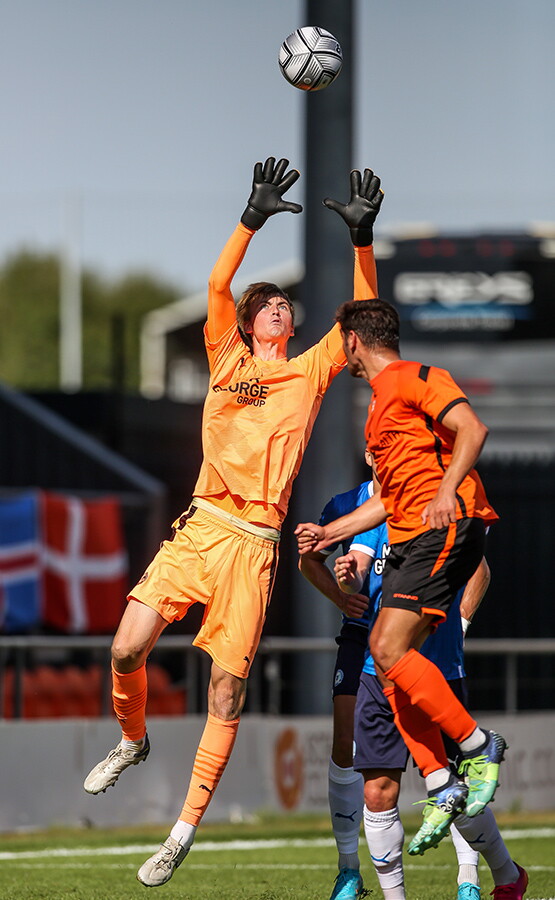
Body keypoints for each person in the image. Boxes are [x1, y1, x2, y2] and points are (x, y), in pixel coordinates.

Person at [82, 158, 384, 888]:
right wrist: (249, 219)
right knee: (125, 650)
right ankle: (133, 741)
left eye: (286, 305)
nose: (280, 309)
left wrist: (362, 243)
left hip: (253, 545)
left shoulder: (308, 371)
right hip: (201, 527)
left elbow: (364, 320)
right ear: (248, 322)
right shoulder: (226, 355)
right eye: (269, 304)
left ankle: (181, 832)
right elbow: (217, 287)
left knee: (224, 692)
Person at [294, 298, 509, 857]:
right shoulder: (378, 405)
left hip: (447, 527)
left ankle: (476, 748)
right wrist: (330, 532)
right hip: (418, 536)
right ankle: (442, 781)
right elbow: (388, 500)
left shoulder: (413, 377)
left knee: (385, 646)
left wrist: (445, 489)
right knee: (390, 664)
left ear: (351, 343)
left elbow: (473, 428)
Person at [336, 537, 528, 900]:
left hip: (437, 672)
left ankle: (501, 873)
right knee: (377, 793)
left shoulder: (435, 502)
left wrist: (462, 625)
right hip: (377, 674)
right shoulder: (372, 513)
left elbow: (479, 568)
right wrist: (344, 574)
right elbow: (356, 572)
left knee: (455, 792)